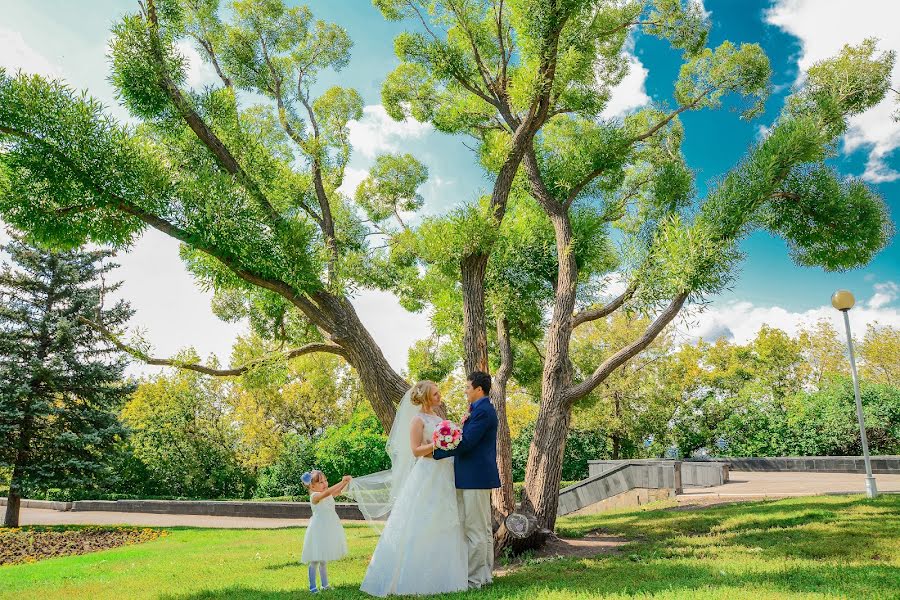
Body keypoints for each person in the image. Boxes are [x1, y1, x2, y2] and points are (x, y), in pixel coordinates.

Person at [353, 380, 468, 597]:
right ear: (425, 397)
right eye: (435, 394)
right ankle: (414, 578)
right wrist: (439, 444)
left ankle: (447, 576)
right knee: (423, 520)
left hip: (445, 473)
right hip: (427, 474)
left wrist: (452, 440)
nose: (439, 396)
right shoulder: (417, 420)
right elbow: (416, 451)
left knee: (446, 520)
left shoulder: (439, 419)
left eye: (439, 393)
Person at [433, 370, 501, 589]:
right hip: (472, 476)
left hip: (475, 477)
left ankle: (474, 581)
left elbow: (468, 442)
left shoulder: (483, 411)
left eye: (467, 388)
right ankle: (484, 575)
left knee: (475, 529)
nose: (465, 391)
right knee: (481, 528)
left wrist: (436, 451)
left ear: (479, 390)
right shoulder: (478, 410)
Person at [300, 469, 352, 593]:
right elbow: (328, 491)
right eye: (321, 482)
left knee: (323, 559)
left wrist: (345, 482)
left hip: (327, 529)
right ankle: (312, 587)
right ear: (312, 486)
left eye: (325, 480)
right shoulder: (315, 496)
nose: (325, 484)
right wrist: (341, 481)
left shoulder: (326, 494)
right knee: (315, 559)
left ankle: (325, 584)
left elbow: (337, 491)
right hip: (318, 530)